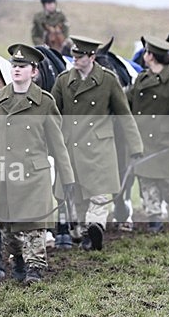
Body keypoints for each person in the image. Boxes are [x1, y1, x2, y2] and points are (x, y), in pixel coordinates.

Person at [0, 43, 74, 285]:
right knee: (9, 230)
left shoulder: (45, 102)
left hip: (34, 174)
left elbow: (58, 144)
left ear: (34, 71)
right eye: (14, 65)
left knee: (34, 225)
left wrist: (67, 177)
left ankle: (35, 268)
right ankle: (18, 259)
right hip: (5, 175)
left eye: (22, 66)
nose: (17, 70)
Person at [51, 35, 143, 251]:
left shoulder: (109, 80)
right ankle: (85, 232)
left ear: (92, 57)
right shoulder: (64, 80)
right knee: (80, 195)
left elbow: (124, 114)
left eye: (80, 56)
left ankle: (96, 226)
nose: (75, 59)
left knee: (100, 194)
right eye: (74, 54)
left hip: (100, 147)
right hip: (72, 145)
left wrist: (136, 145)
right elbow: (52, 111)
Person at [128, 36, 169, 233]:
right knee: (147, 182)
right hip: (144, 140)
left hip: (167, 143)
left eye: (146, 53)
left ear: (151, 56)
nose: (144, 56)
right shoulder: (142, 78)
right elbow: (128, 100)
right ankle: (154, 217)